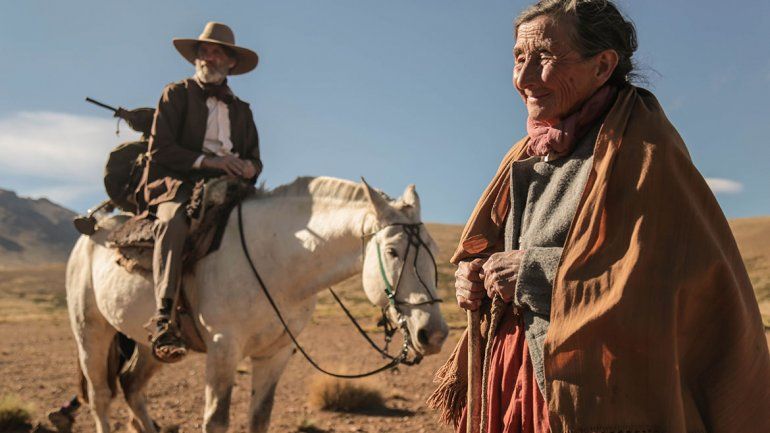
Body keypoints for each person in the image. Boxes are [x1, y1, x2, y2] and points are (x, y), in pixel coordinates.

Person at [428, 1, 770, 432]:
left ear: (603, 66)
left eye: (544, 57)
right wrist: (474, 276)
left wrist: (534, 272)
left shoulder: (642, 149)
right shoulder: (529, 150)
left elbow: (666, 277)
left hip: (594, 389)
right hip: (515, 376)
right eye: (518, 58)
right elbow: (498, 249)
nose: (524, 78)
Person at [142, 22, 262, 363]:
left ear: (231, 62)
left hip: (232, 185)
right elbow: (160, 150)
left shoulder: (242, 110)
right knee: (173, 222)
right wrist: (211, 162)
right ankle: (164, 317)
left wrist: (249, 168)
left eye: (216, 52)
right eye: (203, 51)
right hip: (178, 183)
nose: (208, 57)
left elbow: (255, 158)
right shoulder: (175, 94)